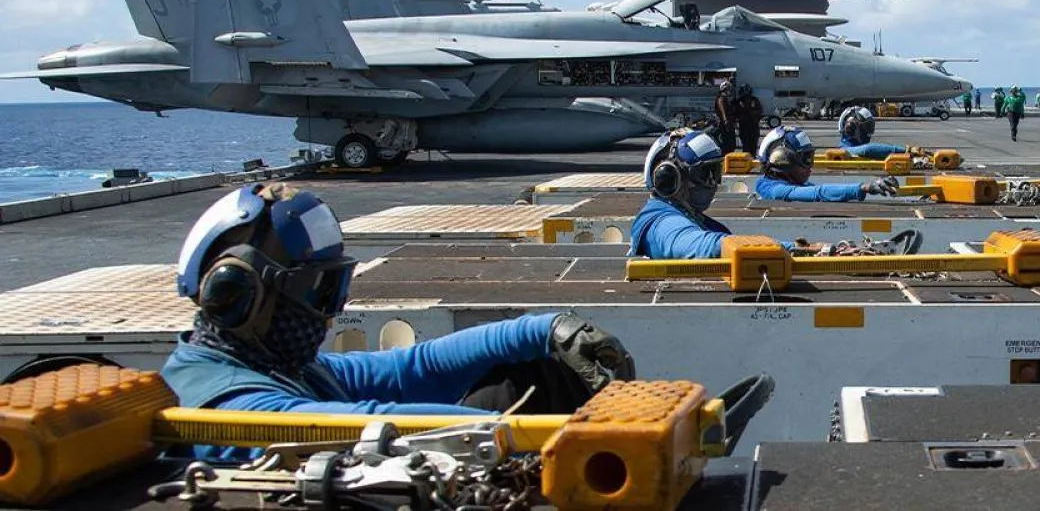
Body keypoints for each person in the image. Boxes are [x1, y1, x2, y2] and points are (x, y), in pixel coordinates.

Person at [163, 183, 633, 459]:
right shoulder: (224, 409)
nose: (334, 311)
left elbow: (413, 368)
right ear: (240, 295)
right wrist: (529, 434)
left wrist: (545, 329)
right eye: (320, 292)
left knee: (531, 372)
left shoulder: (280, 368)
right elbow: (370, 425)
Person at [632, 129, 807, 259]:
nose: (713, 184)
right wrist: (790, 248)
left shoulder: (683, 215)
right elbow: (705, 245)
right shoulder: (662, 222)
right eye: (704, 174)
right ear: (671, 178)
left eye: (714, 174)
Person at [755, 126, 899, 202]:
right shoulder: (773, 189)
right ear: (783, 161)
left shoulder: (791, 184)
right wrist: (862, 188)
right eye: (805, 159)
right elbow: (818, 193)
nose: (810, 166)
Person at [838, 106, 917, 159]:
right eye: (866, 128)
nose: (868, 133)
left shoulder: (857, 151)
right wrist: (906, 151)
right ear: (851, 128)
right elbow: (868, 149)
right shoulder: (845, 151)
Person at [736, 84, 764, 155]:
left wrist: (751, 113)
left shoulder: (754, 100)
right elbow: (735, 113)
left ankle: (752, 160)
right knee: (746, 147)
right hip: (744, 127)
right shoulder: (738, 101)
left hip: (753, 126)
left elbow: (760, 111)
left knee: (753, 147)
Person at [713, 80, 739, 153]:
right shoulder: (721, 99)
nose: (730, 91)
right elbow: (723, 111)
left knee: (731, 143)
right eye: (728, 89)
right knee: (727, 143)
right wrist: (726, 121)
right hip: (725, 124)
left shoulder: (726, 99)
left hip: (728, 123)